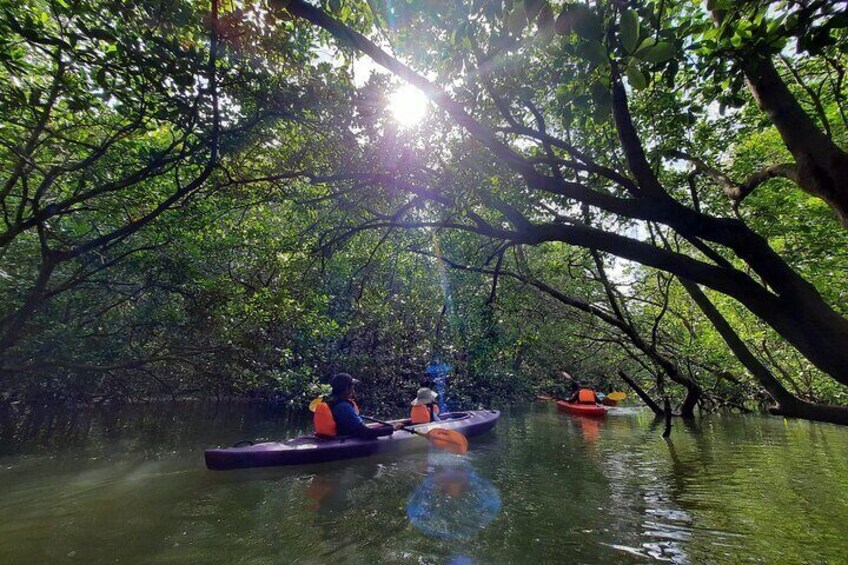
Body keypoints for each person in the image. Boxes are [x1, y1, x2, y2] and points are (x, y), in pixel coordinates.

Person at [314, 373, 401, 439]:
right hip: (341, 440)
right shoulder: (344, 407)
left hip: (327, 439)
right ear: (347, 389)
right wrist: (391, 429)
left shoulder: (331, 402)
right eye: (352, 386)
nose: (353, 389)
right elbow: (364, 432)